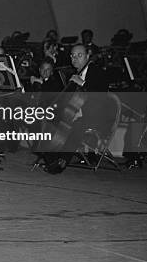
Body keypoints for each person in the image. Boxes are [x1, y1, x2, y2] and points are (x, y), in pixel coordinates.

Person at [43, 44, 108, 174]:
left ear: (88, 56)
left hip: (94, 116)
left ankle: (62, 161)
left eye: (79, 55)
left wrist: (82, 83)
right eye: (72, 56)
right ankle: (50, 157)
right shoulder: (74, 74)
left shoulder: (96, 71)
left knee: (78, 125)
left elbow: (100, 95)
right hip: (76, 113)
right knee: (50, 119)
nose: (75, 59)